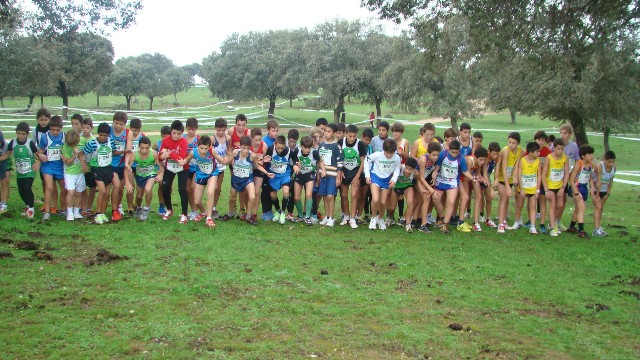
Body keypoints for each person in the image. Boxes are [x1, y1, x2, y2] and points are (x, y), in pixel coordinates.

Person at [431, 140, 478, 233]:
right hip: (441, 180)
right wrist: (434, 173)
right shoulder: (443, 154)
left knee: (451, 202)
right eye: (453, 152)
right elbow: (437, 166)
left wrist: (473, 178)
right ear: (449, 149)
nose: (454, 154)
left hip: (452, 182)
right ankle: (441, 217)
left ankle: (445, 224)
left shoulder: (461, 159)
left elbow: (465, 171)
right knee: (436, 199)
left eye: (457, 152)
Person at [181, 135, 228, 227]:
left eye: (206, 148)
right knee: (197, 201)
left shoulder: (212, 151)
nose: (203, 151)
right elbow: (184, 161)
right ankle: (203, 212)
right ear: (197, 146)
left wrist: (225, 159)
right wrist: (176, 159)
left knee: (210, 192)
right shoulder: (193, 152)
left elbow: (221, 160)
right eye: (201, 148)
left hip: (212, 173)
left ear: (209, 147)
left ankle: (209, 218)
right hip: (200, 174)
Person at [0, 122, 40, 219]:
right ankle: (27, 205)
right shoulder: (13, 143)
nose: (20, 136)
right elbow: (7, 155)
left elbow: (38, 154)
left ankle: (31, 209)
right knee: (21, 191)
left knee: (27, 188)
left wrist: (38, 162)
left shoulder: (30, 143)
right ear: (16, 133)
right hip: (20, 172)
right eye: (19, 133)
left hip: (30, 171)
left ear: (27, 134)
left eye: (23, 134)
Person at [230, 135, 271, 226]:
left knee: (252, 196)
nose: (245, 151)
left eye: (247, 148)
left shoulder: (252, 155)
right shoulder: (235, 152)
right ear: (240, 146)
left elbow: (257, 166)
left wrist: (266, 172)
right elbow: (227, 161)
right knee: (232, 197)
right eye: (243, 148)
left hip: (248, 179)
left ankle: (248, 215)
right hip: (236, 179)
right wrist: (221, 159)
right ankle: (230, 213)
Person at [83, 123, 116, 224]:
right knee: (101, 191)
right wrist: (84, 164)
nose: (102, 137)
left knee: (107, 193)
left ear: (108, 135)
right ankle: (97, 214)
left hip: (108, 168)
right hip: (97, 169)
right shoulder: (92, 143)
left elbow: (113, 152)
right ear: (98, 134)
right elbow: (82, 152)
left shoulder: (111, 142)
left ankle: (102, 213)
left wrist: (125, 151)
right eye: (100, 135)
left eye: (105, 135)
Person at [365, 138, 401, 230]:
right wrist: (367, 175)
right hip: (375, 177)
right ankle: (373, 218)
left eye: (391, 153)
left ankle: (380, 219)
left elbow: (397, 168)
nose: (389, 155)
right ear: (383, 150)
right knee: (375, 199)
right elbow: (366, 160)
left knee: (383, 202)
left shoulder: (396, 158)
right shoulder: (378, 155)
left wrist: (393, 179)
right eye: (387, 152)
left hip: (386, 180)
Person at [124, 136, 163, 222]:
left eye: (147, 148)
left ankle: (146, 210)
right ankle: (138, 208)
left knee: (148, 189)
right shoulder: (134, 154)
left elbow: (160, 166)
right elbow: (127, 169)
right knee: (139, 195)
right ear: (139, 147)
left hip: (151, 174)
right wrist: (127, 182)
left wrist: (160, 175)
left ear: (149, 147)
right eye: (142, 148)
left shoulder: (153, 153)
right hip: (140, 176)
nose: (144, 150)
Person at [159, 120, 190, 224]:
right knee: (165, 187)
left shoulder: (184, 142)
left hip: (182, 168)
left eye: (179, 134)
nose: (176, 136)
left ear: (182, 133)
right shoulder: (166, 140)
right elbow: (160, 156)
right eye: (174, 133)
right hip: (170, 167)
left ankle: (184, 214)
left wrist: (169, 153)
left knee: (182, 189)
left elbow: (180, 158)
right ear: (171, 131)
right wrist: (163, 155)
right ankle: (169, 209)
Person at [37, 115, 67, 222]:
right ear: (50, 128)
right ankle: (47, 212)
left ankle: (63, 210)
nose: (55, 132)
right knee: (49, 187)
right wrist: (40, 157)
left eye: (57, 130)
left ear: (61, 128)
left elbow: (67, 150)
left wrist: (65, 156)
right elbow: (40, 151)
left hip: (60, 166)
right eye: (53, 129)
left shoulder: (64, 136)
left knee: (64, 188)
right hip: (48, 165)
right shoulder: (45, 137)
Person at [263, 135, 297, 225]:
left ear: (285, 145)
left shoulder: (289, 151)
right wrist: (263, 160)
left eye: (282, 148)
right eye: (278, 148)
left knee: (286, 192)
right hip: (273, 174)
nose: (280, 150)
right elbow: (263, 159)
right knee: (272, 195)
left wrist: (296, 165)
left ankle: (282, 213)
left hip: (285, 174)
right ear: (275, 144)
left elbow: (295, 160)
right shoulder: (270, 149)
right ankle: (278, 211)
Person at [495, 132, 523, 233]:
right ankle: (500, 225)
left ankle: (504, 220)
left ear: (518, 143)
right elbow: (504, 168)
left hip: (511, 179)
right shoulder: (505, 151)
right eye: (509, 142)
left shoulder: (520, 151)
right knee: (503, 199)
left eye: (514, 143)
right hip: (503, 179)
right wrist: (507, 186)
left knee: (506, 200)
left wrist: (515, 176)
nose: (511, 145)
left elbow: (516, 165)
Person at [339, 124, 367, 228]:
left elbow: (363, 162)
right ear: (346, 134)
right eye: (350, 136)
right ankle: (346, 216)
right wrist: (340, 170)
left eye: (354, 136)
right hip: (344, 171)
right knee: (344, 195)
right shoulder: (341, 142)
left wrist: (357, 176)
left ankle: (353, 218)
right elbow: (337, 157)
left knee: (354, 195)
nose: (352, 138)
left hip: (356, 171)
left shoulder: (359, 144)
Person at [293, 136, 324, 225]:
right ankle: (300, 216)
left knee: (309, 194)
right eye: (305, 147)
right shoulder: (297, 151)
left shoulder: (314, 152)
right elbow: (294, 160)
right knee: (296, 197)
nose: (307, 150)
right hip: (299, 175)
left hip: (310, 174)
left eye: (309, 148)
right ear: (301, 145)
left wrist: (323, 170)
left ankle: (307, 217)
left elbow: (320, 161)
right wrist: (295, 166)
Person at [566, 144, 596, 238]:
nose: (592, 156)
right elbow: (571, 179)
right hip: (577, 187)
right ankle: (581, 230)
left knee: (578, 208)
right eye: (589, 154)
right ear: (583, 155)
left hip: (584, 187)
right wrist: (575, 192)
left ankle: (571, 227)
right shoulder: (579, 164)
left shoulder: (590, 165)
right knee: (582, 207)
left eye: (592, 154)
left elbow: (590, 178)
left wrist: (592, 187)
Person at [542, 138, 569, 237]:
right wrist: (546, 190)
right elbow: (544, 174)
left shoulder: (565, 158)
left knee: (560, 205)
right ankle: (553, 228)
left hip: (560, 185)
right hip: (550, 186)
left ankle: (552, 222)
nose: (560, 151)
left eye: (562, 149)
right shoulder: (549, 158)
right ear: (554, 148)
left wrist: (563, 187)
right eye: (558, 149)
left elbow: (566, 173)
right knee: (553, 205)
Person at [555, 124, 580, 231]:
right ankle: (551, 222)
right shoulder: (556, 144)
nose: (562, 135)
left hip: (566, 177)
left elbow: (577, 160)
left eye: (565, 133)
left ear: (570, 134)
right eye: (561, 132)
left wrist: (574, 174)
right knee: (554, 200)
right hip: (555, 176)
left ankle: (558, 221)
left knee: (563, 200)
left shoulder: (573, 146)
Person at [317, 124, 343, 226]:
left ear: (335, 134)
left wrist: (338, 177)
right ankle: (327, 216)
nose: (326, 133)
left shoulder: (337, 147)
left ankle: (331, 217)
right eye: (325, 131)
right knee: (324, 196)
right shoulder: (321, 145)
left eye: (329, 131)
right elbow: (319, 161)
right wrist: (318, 175)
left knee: (330, 196)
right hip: (323, 176)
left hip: (332, 175)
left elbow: (340, 163)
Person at [109, 111, 133, 222]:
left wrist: (127, 164)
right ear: (113, 122)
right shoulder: (108, 131)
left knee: (120, 189)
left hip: (123, 164)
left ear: (125, 124)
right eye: (116, 123)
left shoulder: (128, 133)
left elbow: (128, 150)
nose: (118, 126)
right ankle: (114, 211)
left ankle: (118, 207)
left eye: (121, 124)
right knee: (117, 186)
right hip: (111, 164)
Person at [459, 146, 488, 232]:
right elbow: (465, 176)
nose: (482, 162)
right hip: (462, 179)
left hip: (471, 178)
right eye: (481, 160)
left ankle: (476, 221)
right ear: (475, 157)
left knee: (479, 196)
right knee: (466, 197)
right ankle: (461, 221)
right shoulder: (469, 161)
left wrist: (482, 179)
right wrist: (475, 178)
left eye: (484, 160)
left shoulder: (478, 163)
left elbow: (478, 173)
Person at [60, 130, 87, 221]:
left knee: (79, 192)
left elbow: (84, 152)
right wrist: (75, 154)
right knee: (71, 192)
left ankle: (76, 212)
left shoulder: (82, 141)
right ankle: (70, 213)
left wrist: (84, 164)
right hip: (69, 173)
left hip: (79, 172)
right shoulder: (66, 147)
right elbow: (67, 163)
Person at [517, 142, 542, 234]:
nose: (539, 153)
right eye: (537, 151)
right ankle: (516, 222)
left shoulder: (538, 161)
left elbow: (539, 176)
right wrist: (522, 188)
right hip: (523, 188)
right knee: (519, 205)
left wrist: (537, 190)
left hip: (533, 188)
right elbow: (519, 175)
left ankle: (532, 226)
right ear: (531, 152)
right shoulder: (522, 160)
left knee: (532, 206)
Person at [389, 157, 419, 232]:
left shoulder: (415, 174)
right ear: (404, 166)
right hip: (397, 187)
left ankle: (408, 224)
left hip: (407, 186)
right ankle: (390, 218)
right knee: (392, 207)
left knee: (410, 202)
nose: (408, 171)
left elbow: (418, 181)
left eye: (410, 169)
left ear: (414, 169)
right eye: (407, 168)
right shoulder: (400, 168)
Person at [416, 141, 440, 232]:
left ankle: (418, 221)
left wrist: (433, 178)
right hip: (416, 179)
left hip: (423, 180)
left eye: (437, 155)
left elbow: (433, 170)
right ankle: (422, 224)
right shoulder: (423, 159)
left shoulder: (435, 160)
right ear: (428, 153)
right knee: (425, 198)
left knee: (423, 199)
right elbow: (421, 178)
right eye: (434, 155)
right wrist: (431, 190)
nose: (436, 157)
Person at [229, 114, 250, 216]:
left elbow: (251, 148)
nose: (241, 127)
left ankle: (242, 209)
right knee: (234, 184)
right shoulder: (231, 131)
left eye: (243, 125)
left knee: (243, 186)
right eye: (239, 125)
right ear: (235, 124)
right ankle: (233, 208)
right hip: (234, 162)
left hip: (245, 163)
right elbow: (229, 148)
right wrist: (231, 159)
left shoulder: (248, 133)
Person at [592, 151, 616, 237]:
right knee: (598, 207)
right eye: (609, 161)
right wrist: (597, 195)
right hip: (596, 190)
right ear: (604, 160)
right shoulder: (599, 166)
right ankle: (596, 229)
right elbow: (598, 182)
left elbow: (611, 181)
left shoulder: (614, 168)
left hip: (605, 190)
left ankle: (598, 226)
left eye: (613, 161)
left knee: (601, 208)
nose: (611, 163)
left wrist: (607, 193)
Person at [260, 119, 280, 221]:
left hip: (275, 171)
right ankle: (265, 211)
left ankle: (272, 210)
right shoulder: (264, 141)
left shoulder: (278, 141)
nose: (275, 133)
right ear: (268, 130)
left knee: (273, 191)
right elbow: (261, 157)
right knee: (265, 191)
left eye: (277, 131)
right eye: (273, 130)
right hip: (265, 171)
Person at [212, 118, 232, 218]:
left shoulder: (228, 138)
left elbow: (229, 150)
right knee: (213, 188)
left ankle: (213, 208)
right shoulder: (212, 139)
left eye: (223, 130)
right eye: (219, 130)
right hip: (212, 168)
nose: (221, 132)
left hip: (222, 167)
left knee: (218, 188)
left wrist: (228, 157)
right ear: (216, 128)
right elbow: (209, 152)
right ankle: (209, 207)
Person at [533, 131, 552, 233]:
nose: (540, 142)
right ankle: (530, 221)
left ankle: (542, 224)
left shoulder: (548, 152)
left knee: (542, 200)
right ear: (535, 140)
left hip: (543, 180)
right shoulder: (530, 151)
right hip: (533, 180)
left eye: (543, 140)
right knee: (531, 202)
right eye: (538, 140)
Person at [33, 108, 52, 211]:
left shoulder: (52, 130)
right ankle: (46, 201)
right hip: (41, 158)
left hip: (52, 158)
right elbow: (33, 144)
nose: (43, 122)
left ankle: (52, 203)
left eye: (45, 119)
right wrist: (38, 156)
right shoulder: (35, 131)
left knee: (52, 182)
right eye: (41, 119)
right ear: (37, 120)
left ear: (49, 119)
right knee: (44, 181)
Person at [182, 117, 200, 220]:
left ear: (196, 129)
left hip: (196, 168)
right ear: (186, 128)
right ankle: (193, 210)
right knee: (188, 189)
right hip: (186, 167)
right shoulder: (183, 138)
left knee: (193, 187)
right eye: (189, 129)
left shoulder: (198, 139)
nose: (191, 131)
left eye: (193, 129)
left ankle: (195, 210)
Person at [249, 127, 269, 220]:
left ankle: (254, 214)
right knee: (248, 192)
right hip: (249, 169)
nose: (258, 142)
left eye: (260, 140)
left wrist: (262, 161)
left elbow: (263, 160)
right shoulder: (248, 146)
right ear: (251, 138)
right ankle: (247, 212)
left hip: (260, 170)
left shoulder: (264, 146)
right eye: (256, 140)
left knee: (257, 192)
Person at [126, 117, 144, 215]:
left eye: (138, 130)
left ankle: (137, 205)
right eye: (134, 130)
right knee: (130, 187)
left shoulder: (143, 137)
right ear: (130, 128)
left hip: (140, 166)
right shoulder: (127, 137)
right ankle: (129, 208)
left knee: (140, 189)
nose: (136, 132)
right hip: (130, 166)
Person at [480, 142, 500, 228]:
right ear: (489, 151)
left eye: (497, 154)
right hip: (481, 177)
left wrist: (496, 178)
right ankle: (481, 216)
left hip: (488, 177)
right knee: (481, 196)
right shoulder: (485, 158)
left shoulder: (496, 159)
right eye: (493, 154)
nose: (495, 156)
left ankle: (488, 218)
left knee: (489, 198)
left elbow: (496, 170)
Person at [153, 125, 171, 216]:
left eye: (167, 136)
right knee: (161, 185)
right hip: (160, 168)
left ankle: (168, 205)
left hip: (170, 168)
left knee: (169, 188)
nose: (165, 138)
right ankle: (161, 205)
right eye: (163, 136)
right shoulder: (158, 144)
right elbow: (151, 153)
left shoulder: (173, 144)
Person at [80, 118, 96, 216]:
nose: (85, 129)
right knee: (82, 188)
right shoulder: (78, 138)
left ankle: (89, 207)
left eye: (87, 127)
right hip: (81, 167)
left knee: (93, 187)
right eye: (83, 127)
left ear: (91, 128)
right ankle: (83, 207)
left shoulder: (94, 139)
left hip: (91, 167)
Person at [285, 129, 300, 220]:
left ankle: (290, 212)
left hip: (295, 172)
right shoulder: (284, 146)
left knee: (293, 192)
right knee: (287, 191)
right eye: (290, 141)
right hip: (285, 171)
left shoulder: (298, 148)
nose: (292, 143)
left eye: (294, 142)